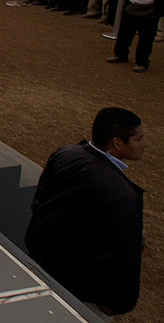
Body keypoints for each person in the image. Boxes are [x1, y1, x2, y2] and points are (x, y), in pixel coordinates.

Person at [25, 108, 146, 319]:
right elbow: (121, 258)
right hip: (85, 295)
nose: (144, 144)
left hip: (43, 265)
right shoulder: (122, 196)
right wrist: (116, 304)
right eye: (139, 139)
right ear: (117, 143)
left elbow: (40, 203)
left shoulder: (65, 154)